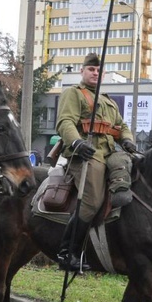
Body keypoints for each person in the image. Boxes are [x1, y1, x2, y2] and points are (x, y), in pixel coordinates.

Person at [55, 53, 136, 271]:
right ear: (82, 71)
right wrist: (77, 143)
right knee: (91, 201)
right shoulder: (74, 94)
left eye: (99, 71)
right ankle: (67, 252)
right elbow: (65, 122)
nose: (95, 73)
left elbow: (121, 126)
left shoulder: (109, 101)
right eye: (91, 69)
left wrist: (127, 140)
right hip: (87, 155)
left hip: (110, 153)